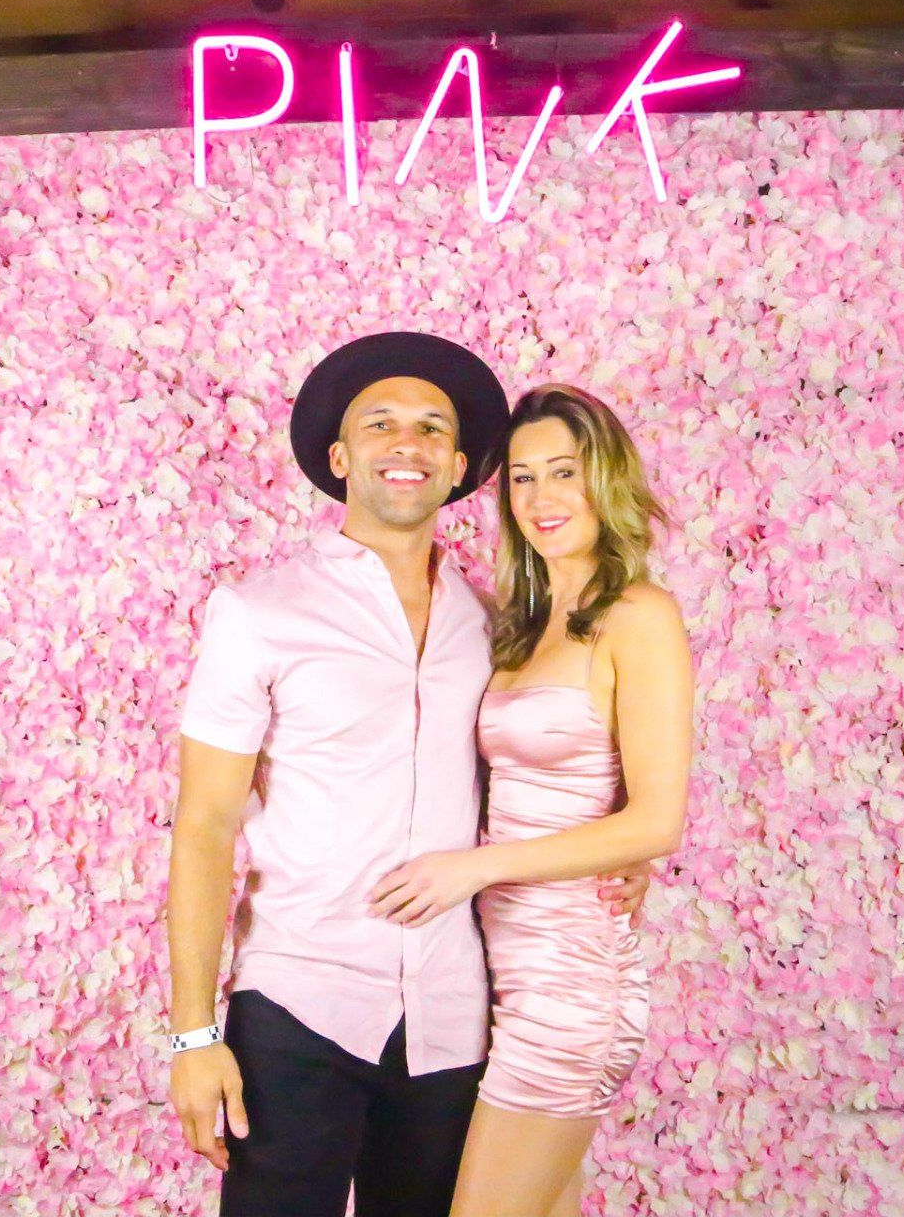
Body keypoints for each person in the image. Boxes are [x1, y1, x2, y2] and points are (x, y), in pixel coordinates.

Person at [165, 334, 657, 1217]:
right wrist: (194, 1036)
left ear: (461, 468)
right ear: (339, 458)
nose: (408, 443)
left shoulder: (496, 626)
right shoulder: (257, 614)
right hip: (298, 1006)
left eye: (433, 428)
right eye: (381, 424)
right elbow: (203, 826)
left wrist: (624, 849)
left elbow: (539, 767)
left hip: (452, 1017)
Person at [365, 382, 694, 1217]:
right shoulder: (520, 623)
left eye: (565, 472)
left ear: (606, 479)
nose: (543, 497)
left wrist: (475, 868)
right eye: (523, 478)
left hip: (570, 983)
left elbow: (657, 818)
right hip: (503, 976)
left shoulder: (639, 615)